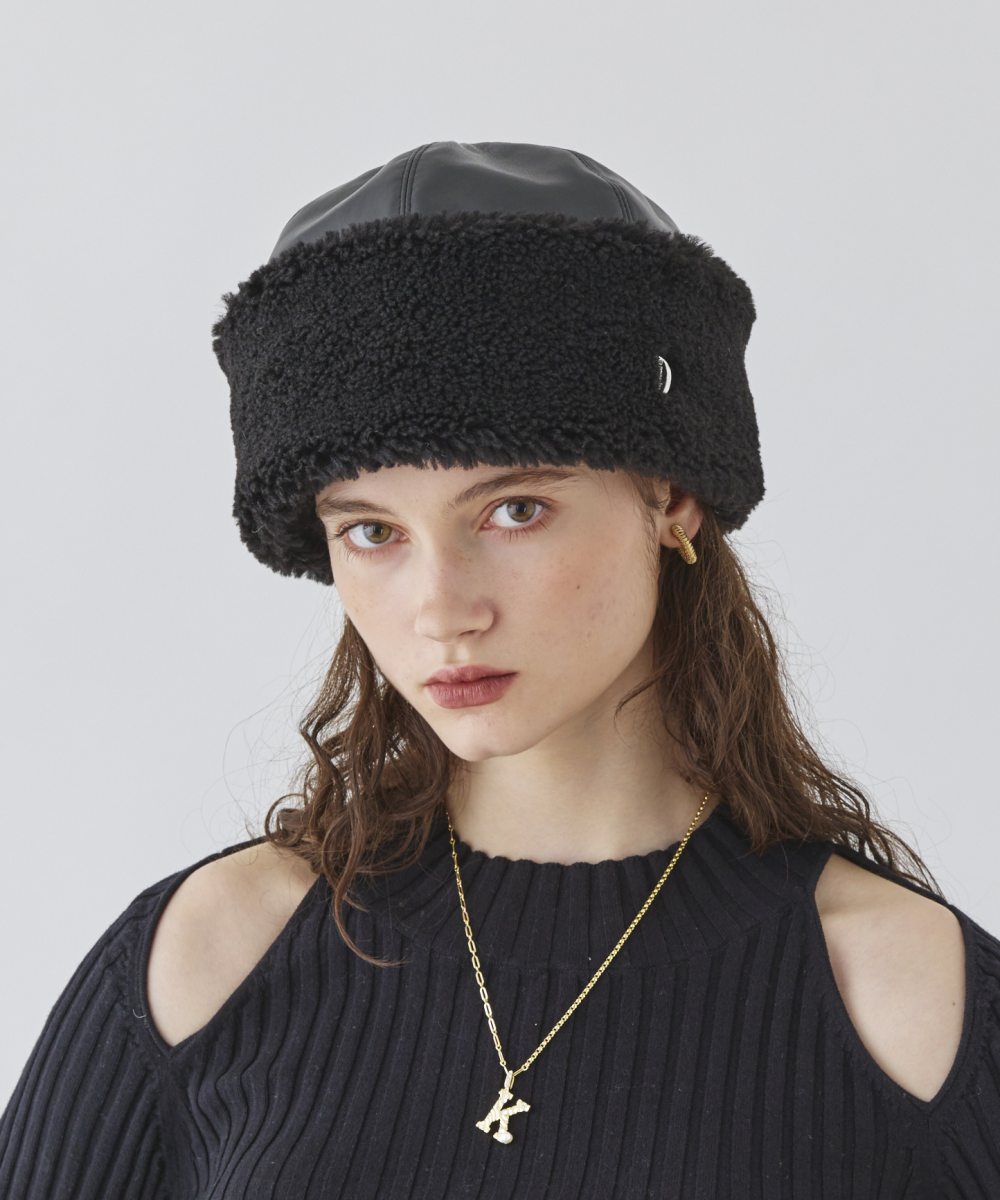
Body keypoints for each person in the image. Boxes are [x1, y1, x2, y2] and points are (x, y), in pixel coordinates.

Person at [0, 140, 997, 1198]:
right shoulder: (207, 960)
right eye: (373, 531)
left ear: (673, 497)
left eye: (514, 510)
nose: (441, 609)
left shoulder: (905, 999)